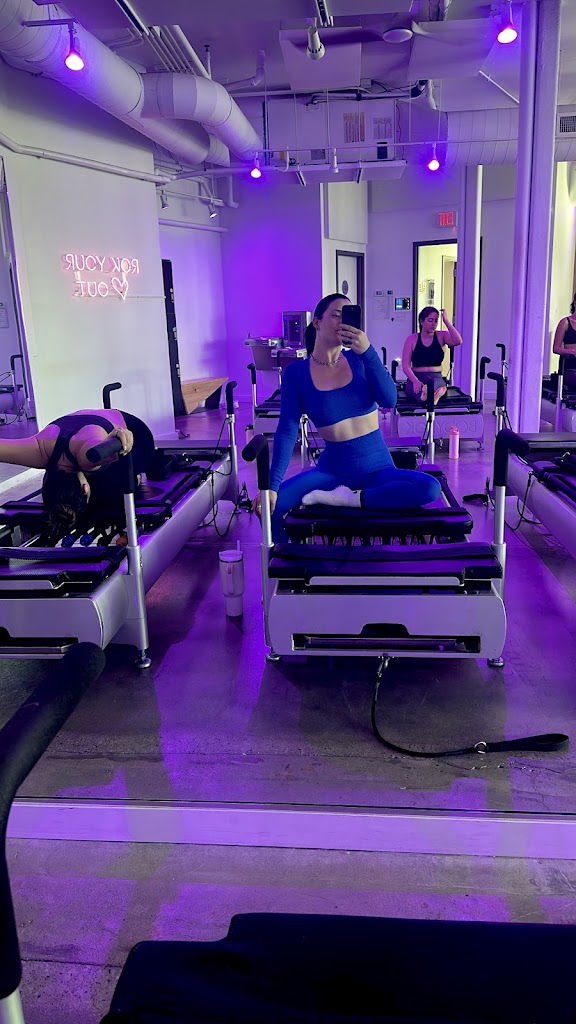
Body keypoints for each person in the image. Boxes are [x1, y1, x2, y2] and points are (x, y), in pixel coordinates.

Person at [252, 293, 441, 542]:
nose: (342, 322)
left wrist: (368, 352)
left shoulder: (360, 359)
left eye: (347, 316)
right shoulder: (297, 374)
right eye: (335, 315)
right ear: (317, 322)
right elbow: (287, 430)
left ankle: (352, 499)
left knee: (430, 487)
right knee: (269, 507)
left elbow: (389, 400)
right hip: (332, 472)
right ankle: (288, 562)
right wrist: (272, 486)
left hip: (378, 470)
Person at [0, 409, 155, 542]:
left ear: (85, 488)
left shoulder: (89, 457)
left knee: (110, 487)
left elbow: (95, 448)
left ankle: (140, 475)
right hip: (92, 423)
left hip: (137, 434)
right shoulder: (38, 452)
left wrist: (118, 437)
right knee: (102, 478)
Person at [402, 306, 463, 406]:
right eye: (430, 320)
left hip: (436, 377)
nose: (433, 324)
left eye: (436, 321)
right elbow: (406, 366)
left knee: (433, 387)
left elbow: (458, 341)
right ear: (421, 321)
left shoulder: (442, 336)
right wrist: (415, 381)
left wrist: (446, 321)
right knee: (418, 393)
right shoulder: (411, 339)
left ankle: (431, 395)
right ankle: (430, 396)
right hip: (417, 376)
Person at [552, 295, 576, 390]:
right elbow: (556, 348)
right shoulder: (565, 322)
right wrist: (572, 352)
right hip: (570, 367)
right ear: (575, 303)